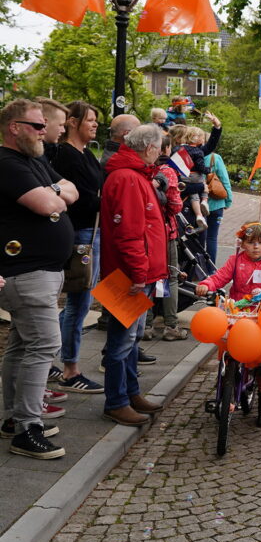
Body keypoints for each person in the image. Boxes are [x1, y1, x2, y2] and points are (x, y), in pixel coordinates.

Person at [0, 99, 78, 458]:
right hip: (27, 273)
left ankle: (15, 419)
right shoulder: (8, 163)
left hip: (40, 272)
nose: (43, 131)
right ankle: (27, 428)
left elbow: (70, 191)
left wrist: (55, 192)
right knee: (44, 346)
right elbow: (49, 205)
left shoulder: (32, 160)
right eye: (36, 126)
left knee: (20, 346)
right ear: (14, 127)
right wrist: (55, 195)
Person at [99, 123, 168, 426]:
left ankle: (130, 392)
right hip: (129, 276)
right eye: (160, 148)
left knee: (131, 338)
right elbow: (129, 234)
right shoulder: (128, 178)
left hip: (136, 272)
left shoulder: (133, 175)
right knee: (122, 340)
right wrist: (140, 274)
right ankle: (117, 401)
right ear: (150, 148)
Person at [195, 222, 261, 426]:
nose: (256, 247)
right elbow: (219, 277)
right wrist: (206, 285)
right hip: (237, 313)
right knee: (229, 353)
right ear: (242, 244)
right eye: (251, 243)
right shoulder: (235, 260)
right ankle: (226, 385)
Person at [50, 101, 106, 391]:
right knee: (78, 302)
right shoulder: (67, 155)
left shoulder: (87, 153)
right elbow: (83, 198)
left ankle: (54, 360)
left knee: (78, 303)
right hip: (81, 233)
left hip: (92, 231)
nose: (95, 124)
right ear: (72, 122)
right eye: (90, 120)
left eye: (96, 120)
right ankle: (70, 369)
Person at [146, 134, 186, 342]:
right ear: (166, 149)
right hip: (164, 231)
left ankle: (145, 325)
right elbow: (176, 205)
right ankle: (171, 326)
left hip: (143, 232)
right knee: (170, 276)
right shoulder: (167, 171)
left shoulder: (142, 169)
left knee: (146, 277)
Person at [205, 148, 232, 264]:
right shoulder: (214, 158)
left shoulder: (191, 157)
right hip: (216, 204)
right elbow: (225, 180)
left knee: (196, 238)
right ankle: (210, 269)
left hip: (197, 205)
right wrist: (228, 200)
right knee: (212, 238)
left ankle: (195, 269)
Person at [36, 97, 68, 161]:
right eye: (61, 125)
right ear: (44, 122)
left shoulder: (49, 153)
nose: (63, 130)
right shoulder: (34, 155)